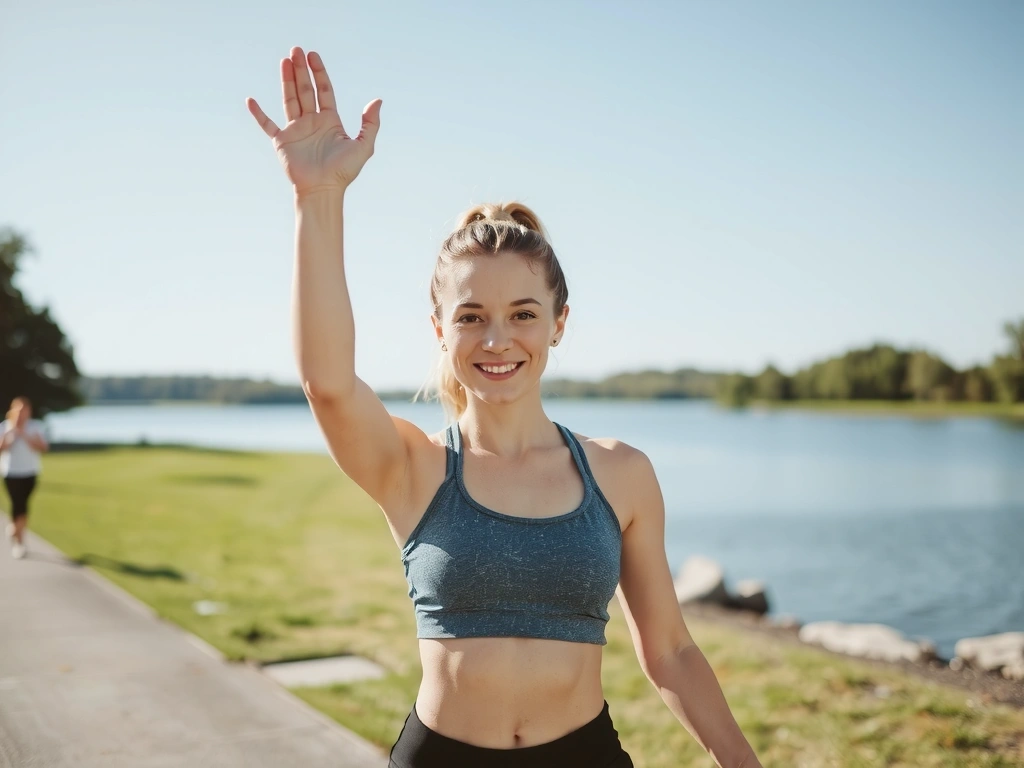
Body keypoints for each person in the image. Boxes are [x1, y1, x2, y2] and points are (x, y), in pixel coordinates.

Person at [247, 46, 764, 768]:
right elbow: (329, 383)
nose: (497, 339)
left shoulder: (622, 474)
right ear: (440, 329)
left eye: (524, 314)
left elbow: (671, 649)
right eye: (470, 317)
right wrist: (317, 197)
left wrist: (741, 761)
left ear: (559, 322)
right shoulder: (412, 466)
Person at [1, 397, 49, 559]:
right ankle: (19, 541)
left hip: (30, 472)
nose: (21, 414)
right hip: (11, 472)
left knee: (24, 504)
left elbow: (43, 448)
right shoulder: (5, 427)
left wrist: (24, 435)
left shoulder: (35, 427)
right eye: (18, 410)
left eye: (24, 410)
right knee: (17, 504)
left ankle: (15, 529)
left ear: (29, 411)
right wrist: (10, 436)